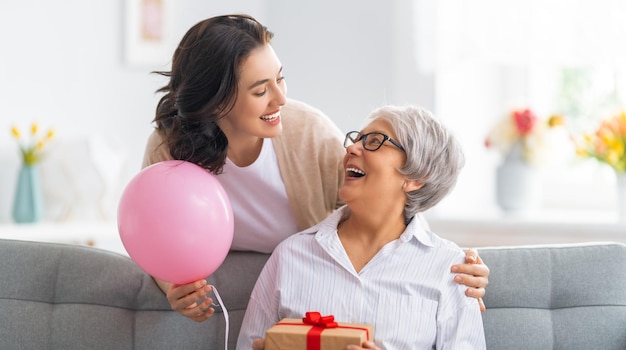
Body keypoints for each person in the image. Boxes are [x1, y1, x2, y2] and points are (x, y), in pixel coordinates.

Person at [141, 14, 490, 322]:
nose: (280, 98)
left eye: (280, 79)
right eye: (261, 90)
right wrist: (175, 286)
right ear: (216, 101)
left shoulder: (308, 131)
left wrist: (449, 262)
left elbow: (383, 202)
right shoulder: (169, 149)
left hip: (313, 290)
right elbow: (151, 236)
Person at [227, 105, 487, 350]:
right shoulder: (293, 254)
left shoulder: (453, 268)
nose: (352, 147)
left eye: (375, 141)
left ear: (416, 177)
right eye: (356, 138)